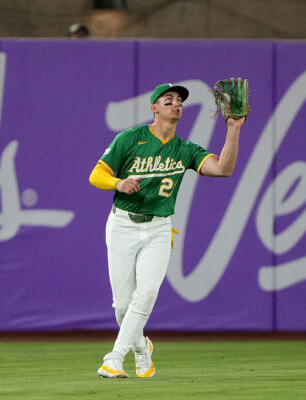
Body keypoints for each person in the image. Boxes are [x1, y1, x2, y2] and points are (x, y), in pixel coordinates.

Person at [89, 82, 246, 378]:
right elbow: (96, 174)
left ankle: (114, 357)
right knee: (122, 306)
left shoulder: (185, 149)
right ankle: (141, 348)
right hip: (122, 223)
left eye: (179, 101)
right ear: (154, 108)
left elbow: (223, 168)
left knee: (146, 293)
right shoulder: (130, 138)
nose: (176, 104)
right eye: (168, 99)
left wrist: (233, 129)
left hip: (159, 229)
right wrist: (118, 183)